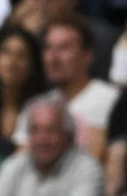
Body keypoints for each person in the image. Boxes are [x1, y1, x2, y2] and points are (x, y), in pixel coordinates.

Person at [11, 19, 119, 163]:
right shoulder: (35, 106)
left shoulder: (112, 100)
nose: (53, 57)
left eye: (64, 48)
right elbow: (20, 163)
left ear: (87, 55)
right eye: (48, 48)